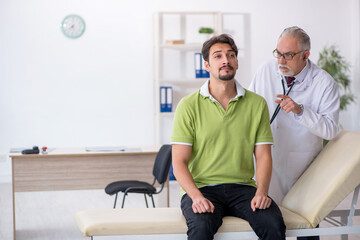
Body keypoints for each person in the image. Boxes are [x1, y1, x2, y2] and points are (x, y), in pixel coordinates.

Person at [171, 34, 286, 240]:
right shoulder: (188, 106)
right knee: (201, 228)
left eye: (230, 55)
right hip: (202, 188)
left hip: (243, 188)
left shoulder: (257, 104)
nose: (226, 60)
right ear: (206, 65)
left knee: (274, 225)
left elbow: (263, 156)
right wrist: (196, 197)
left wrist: (262, 191)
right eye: (218, 56)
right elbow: (179, 161)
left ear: (237, 63)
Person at [249, 27, 340, 240]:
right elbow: (249, 106)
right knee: (264, 224)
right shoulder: (266, 70)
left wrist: (301, 111)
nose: (281, 60)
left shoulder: (323, 82)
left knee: (305, 227)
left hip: (302, 168)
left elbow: (331, 129)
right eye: (278, 53)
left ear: (305, 55)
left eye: (288, 55)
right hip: (266, 162)